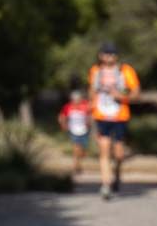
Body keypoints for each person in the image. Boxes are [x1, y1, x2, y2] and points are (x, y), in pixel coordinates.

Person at [88, 42, 140, 199]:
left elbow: (136, 93)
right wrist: (90, 108)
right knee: (104, 150)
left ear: (116, 56)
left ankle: (117, 174)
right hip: (101, 115)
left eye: (111, 54)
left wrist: (121, 95)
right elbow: (92, 90)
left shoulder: (126, 71)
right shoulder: (95, 71)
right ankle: (106, 184)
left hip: (120, 115)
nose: (108, 56)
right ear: (100, 55)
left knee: (118, 153)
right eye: (105, 53)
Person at [58, 88, 91, 176]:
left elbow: (89, 116)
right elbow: (61, 116)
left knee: (82, 151)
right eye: (74, 99)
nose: (76, 101)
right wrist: (64, 125)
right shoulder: (67, 107)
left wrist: (88, 123)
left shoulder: (85, 106)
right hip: (73, 130)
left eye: (78, 99)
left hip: (84, 131)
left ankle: (78, 164)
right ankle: (76, 166)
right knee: (76, 148)